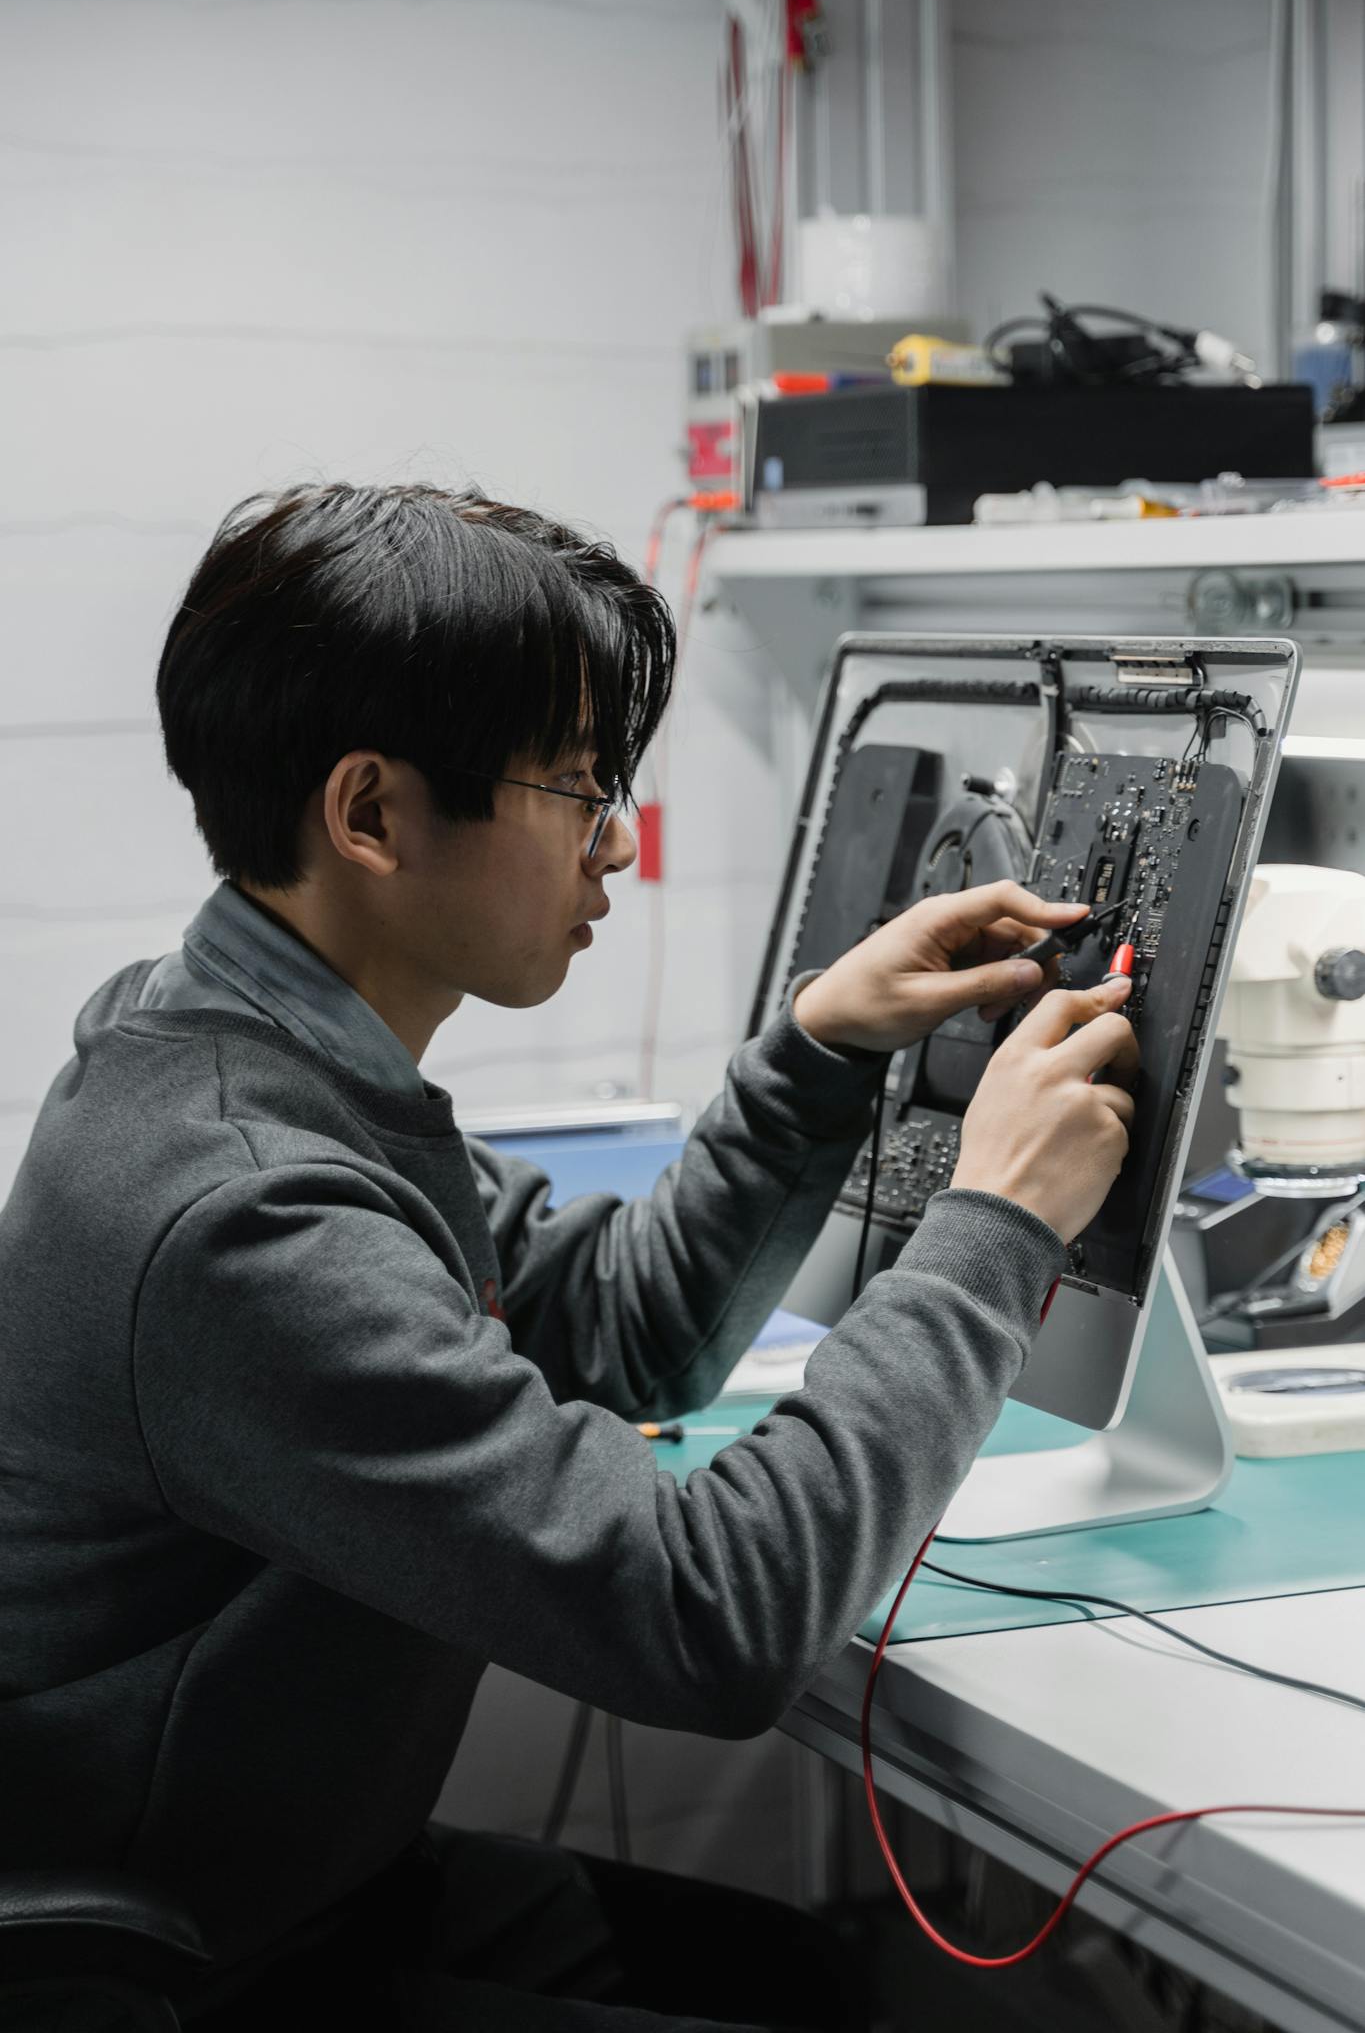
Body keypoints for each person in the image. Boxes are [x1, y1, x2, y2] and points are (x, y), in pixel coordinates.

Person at [0, 483, 1138, 2031]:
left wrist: (812, 1050)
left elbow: (615, 1335)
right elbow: (709, 1618)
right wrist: (993, 1225)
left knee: (822, 1978)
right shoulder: (241, 1206)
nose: (615, 842)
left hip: (296, 1875)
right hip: (198, 1966)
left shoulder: (252, 1049)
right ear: (372, 814)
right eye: (577, 784)